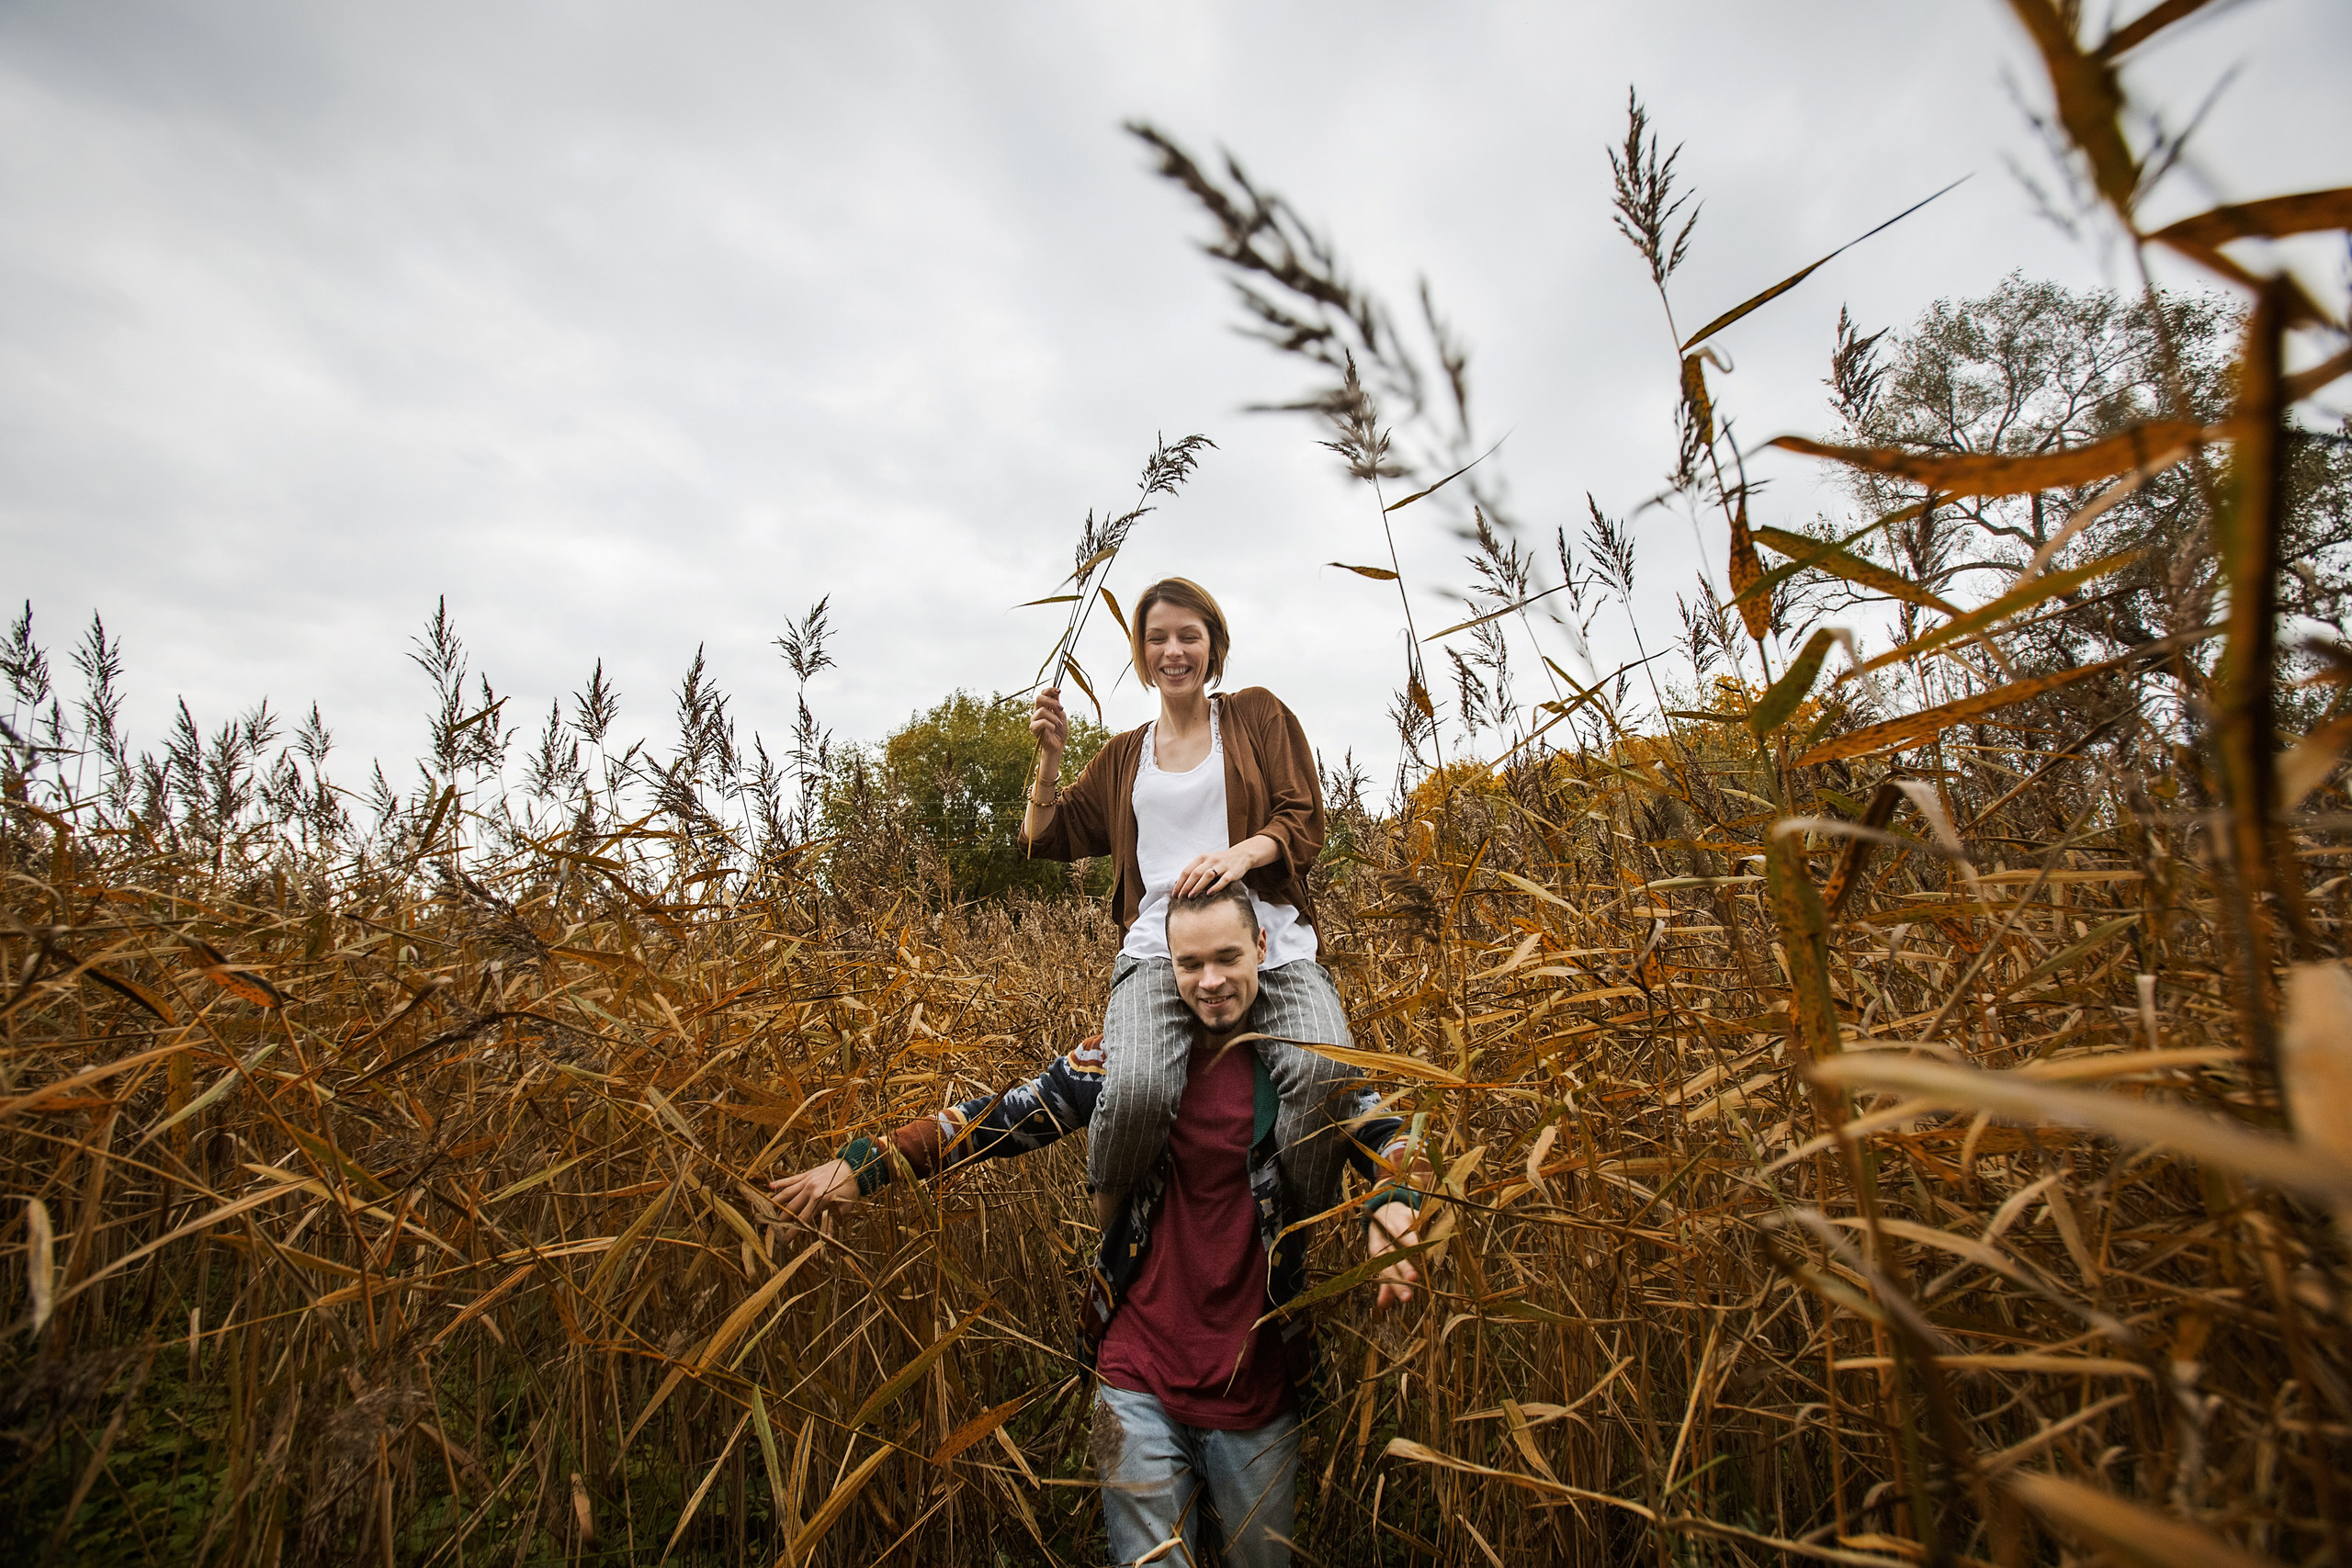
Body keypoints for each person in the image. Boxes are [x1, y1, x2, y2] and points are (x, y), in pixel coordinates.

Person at [771, 883, 1430, 1568]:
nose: (1209, 981)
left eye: (1227, 958)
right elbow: (1004, 1117)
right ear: (1167, 963)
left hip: (1257, 1392)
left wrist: (1396, 1197)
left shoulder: (1300, 1064)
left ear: (1262, 947)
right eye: (1189, 963)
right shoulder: (1129, 1059)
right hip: (1135, 1378)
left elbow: (1392, 1135)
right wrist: (868, 1164)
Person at [1021, 577, 1361, 1223]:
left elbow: (1303, 816)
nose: (1173, 651)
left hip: (1265, 940)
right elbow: (1046, 836)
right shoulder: (1124, 755)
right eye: (1157, 638)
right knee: (1137, 1088)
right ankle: (1114, 1241)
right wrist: (1049, 762)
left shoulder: (1257, 715)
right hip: (1161, 950)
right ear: (1141, 651)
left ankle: (1293, 1226)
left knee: (1324, 1072)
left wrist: (1243, 854)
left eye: (1188, 636)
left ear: (1213, 646)